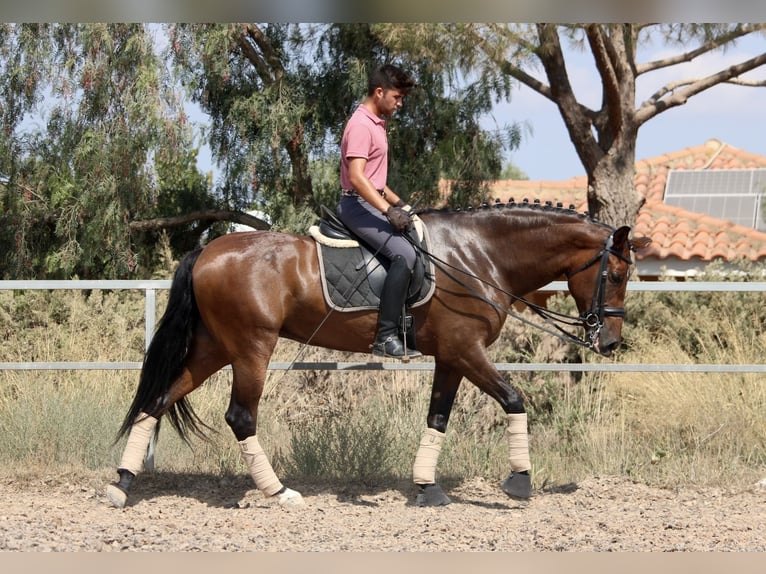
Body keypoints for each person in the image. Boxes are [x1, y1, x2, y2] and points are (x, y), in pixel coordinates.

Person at [337, 63, 422, 359]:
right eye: (397, 98)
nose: (399, 104)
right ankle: (385, 336)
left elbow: (378, 183)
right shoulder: (361, 125)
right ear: (379, 92)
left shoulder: (376, 124)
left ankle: (407, 325)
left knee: (419, 240)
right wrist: (388, 212)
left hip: (370, 201)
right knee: (406, 255)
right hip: (356, 206)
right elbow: (359, 178)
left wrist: (403, 206)